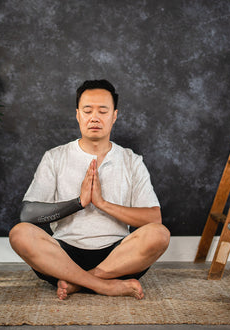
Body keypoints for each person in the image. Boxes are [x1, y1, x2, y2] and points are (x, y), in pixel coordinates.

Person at [9, 79, 170, 300]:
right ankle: (106, 286)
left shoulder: (131, 160)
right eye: (87, 110)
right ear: (78, 115)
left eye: (103, 111)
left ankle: (78, 282)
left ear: (114, 116)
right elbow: (28, 215)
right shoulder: (55, 157)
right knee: (19, 234)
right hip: (63, 253)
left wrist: (102, 204)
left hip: (119, 256)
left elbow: (154, 218)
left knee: (159, 235)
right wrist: (79, 203)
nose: (94, 117)